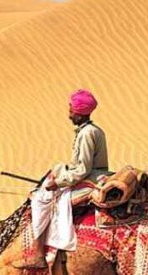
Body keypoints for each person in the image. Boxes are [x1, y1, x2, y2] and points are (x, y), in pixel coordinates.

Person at [27, 90, 110, 262]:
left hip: (91, 180)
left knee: (43, 200)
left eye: (72, 109)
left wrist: (58, 183)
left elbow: (82, 169)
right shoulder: (90, 130)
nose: (69, 113)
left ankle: (39, 253)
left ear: (80, 113)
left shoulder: (87, 134)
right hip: (91, 176)